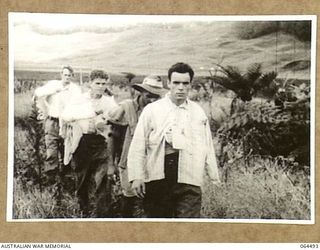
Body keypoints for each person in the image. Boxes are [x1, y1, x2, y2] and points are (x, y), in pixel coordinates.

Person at [127, 62, 220, 218]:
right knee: (160, 229)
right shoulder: (153, 110)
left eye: (185, 83)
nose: (181, 87)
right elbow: (138, 145)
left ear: (191, 85)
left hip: (189, 175)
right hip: (158, 175)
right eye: (176, 83)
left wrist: (213, 177)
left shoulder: (198, 112)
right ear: (168, 83)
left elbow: (207, 145)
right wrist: (137, 176)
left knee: (187, 230)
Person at [61, 69, 118, 218]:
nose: (100, 86)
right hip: (82, 143)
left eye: (103, 84)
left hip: (102, 143)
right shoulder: (80, 99)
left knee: (103, 180)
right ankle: (83, 210)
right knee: (82, 179)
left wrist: (105, 117)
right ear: (90, 83)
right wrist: (89, 115)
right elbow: (66, 115)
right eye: (97, 83)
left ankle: (102, 214)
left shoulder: (109, 101)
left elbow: (115, 118)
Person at [109, 75, 167, 218]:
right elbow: (112, 137)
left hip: (154, 163)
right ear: (141, 92)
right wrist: (111, 164)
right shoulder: (126, 108)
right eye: (149, 95)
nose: (153, 100)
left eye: (156, 97)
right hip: (129, 161)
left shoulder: (161, 111)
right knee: (129, 199)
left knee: (151, 202)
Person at [33, 66, 82, 187]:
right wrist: (54, 91)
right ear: (61, 74)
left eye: (69, 75)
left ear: (72, 76)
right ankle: (51, 179)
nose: (67, 77)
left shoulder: (75, 89)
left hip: (67, 123)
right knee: (51, 150)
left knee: (68, 149)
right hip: (52, 121)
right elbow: (38, 93)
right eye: (65, 75)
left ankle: (66, 178)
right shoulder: (53, 85)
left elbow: (78, 103)